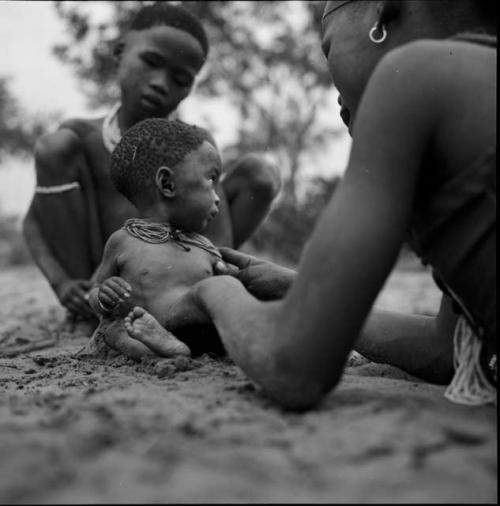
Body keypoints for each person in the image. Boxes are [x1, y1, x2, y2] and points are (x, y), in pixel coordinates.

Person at [125, 0, 496, 410]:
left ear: (382, 14)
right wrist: (296, 290)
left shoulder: (411, 76)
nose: (338, 100)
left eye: (327, 48)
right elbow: (447, 349)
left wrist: (214, 291)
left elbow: (293, 366)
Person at [22, 2, 280, 329]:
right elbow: (34, 222)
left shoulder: (196, 146)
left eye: (181, 79)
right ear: (120, 52)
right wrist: (63, 284)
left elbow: (217, 239)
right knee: (53, 146)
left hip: (174, 273)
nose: (161, 83)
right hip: (105, 277)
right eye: (152, 62)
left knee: (260, 173)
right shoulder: (80, 139)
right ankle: (87, 312)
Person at [84, 118, 228, 360]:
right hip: (144, 329)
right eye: (211, 181)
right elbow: (95, 292)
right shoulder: (124, 241)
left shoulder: (203, 246)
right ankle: (162, 348)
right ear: (167, 184)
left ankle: (174, 349)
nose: (217, 198)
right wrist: (104, 296)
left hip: (199, 329)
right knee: (114, 329)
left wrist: (229, 275)